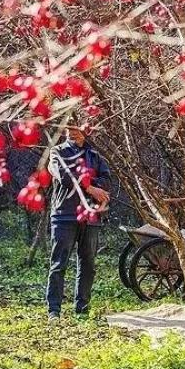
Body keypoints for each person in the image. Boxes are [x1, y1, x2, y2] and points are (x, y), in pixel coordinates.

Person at [46, 121, 111, 321]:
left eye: (76, 128)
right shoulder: (57, 152)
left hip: (90, 216)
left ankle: (82, 309)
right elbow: (65, 177)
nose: (71, 132)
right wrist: (91, 188)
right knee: (59, 263)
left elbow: (107, 181)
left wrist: (97, 186)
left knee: (88, 264)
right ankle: (54, 310)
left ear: (85, 131)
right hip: (64, 214)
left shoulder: (95, 156)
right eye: (68, 128)